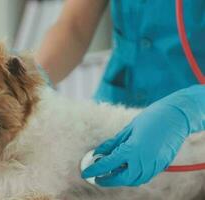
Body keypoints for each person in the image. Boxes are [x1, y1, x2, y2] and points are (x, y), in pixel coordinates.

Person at [36, 0, 205, 187]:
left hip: (193, 133)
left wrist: (188, 109)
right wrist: (33, 79)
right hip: (112, 116)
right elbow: (74, 25)